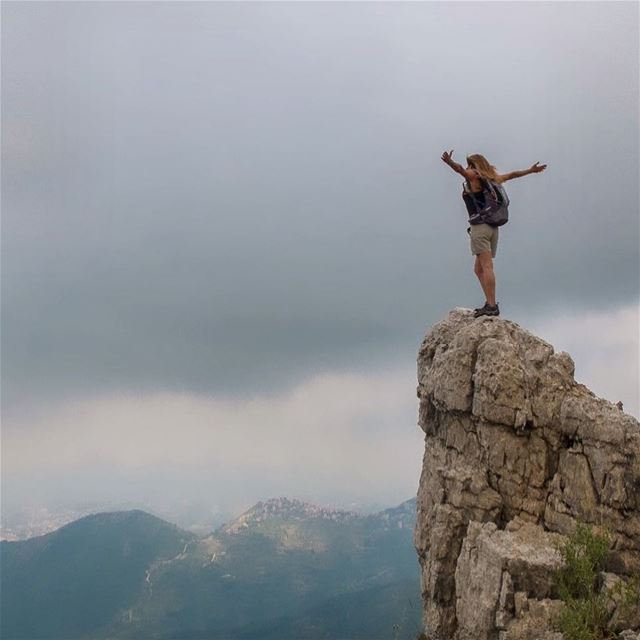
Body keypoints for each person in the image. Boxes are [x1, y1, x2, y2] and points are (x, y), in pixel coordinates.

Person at [441, 150, 547, 317]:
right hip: (493, 228)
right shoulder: (492, 179)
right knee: (478, 269)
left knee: (486, 266)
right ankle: (489, 303)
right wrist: (531, 170)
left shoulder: (475, 177)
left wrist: (449, 162)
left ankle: (491, 306)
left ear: (474, 166)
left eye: (470, 164)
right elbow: (512, 174)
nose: (468, 168)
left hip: (480, 228)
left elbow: (461, 170)